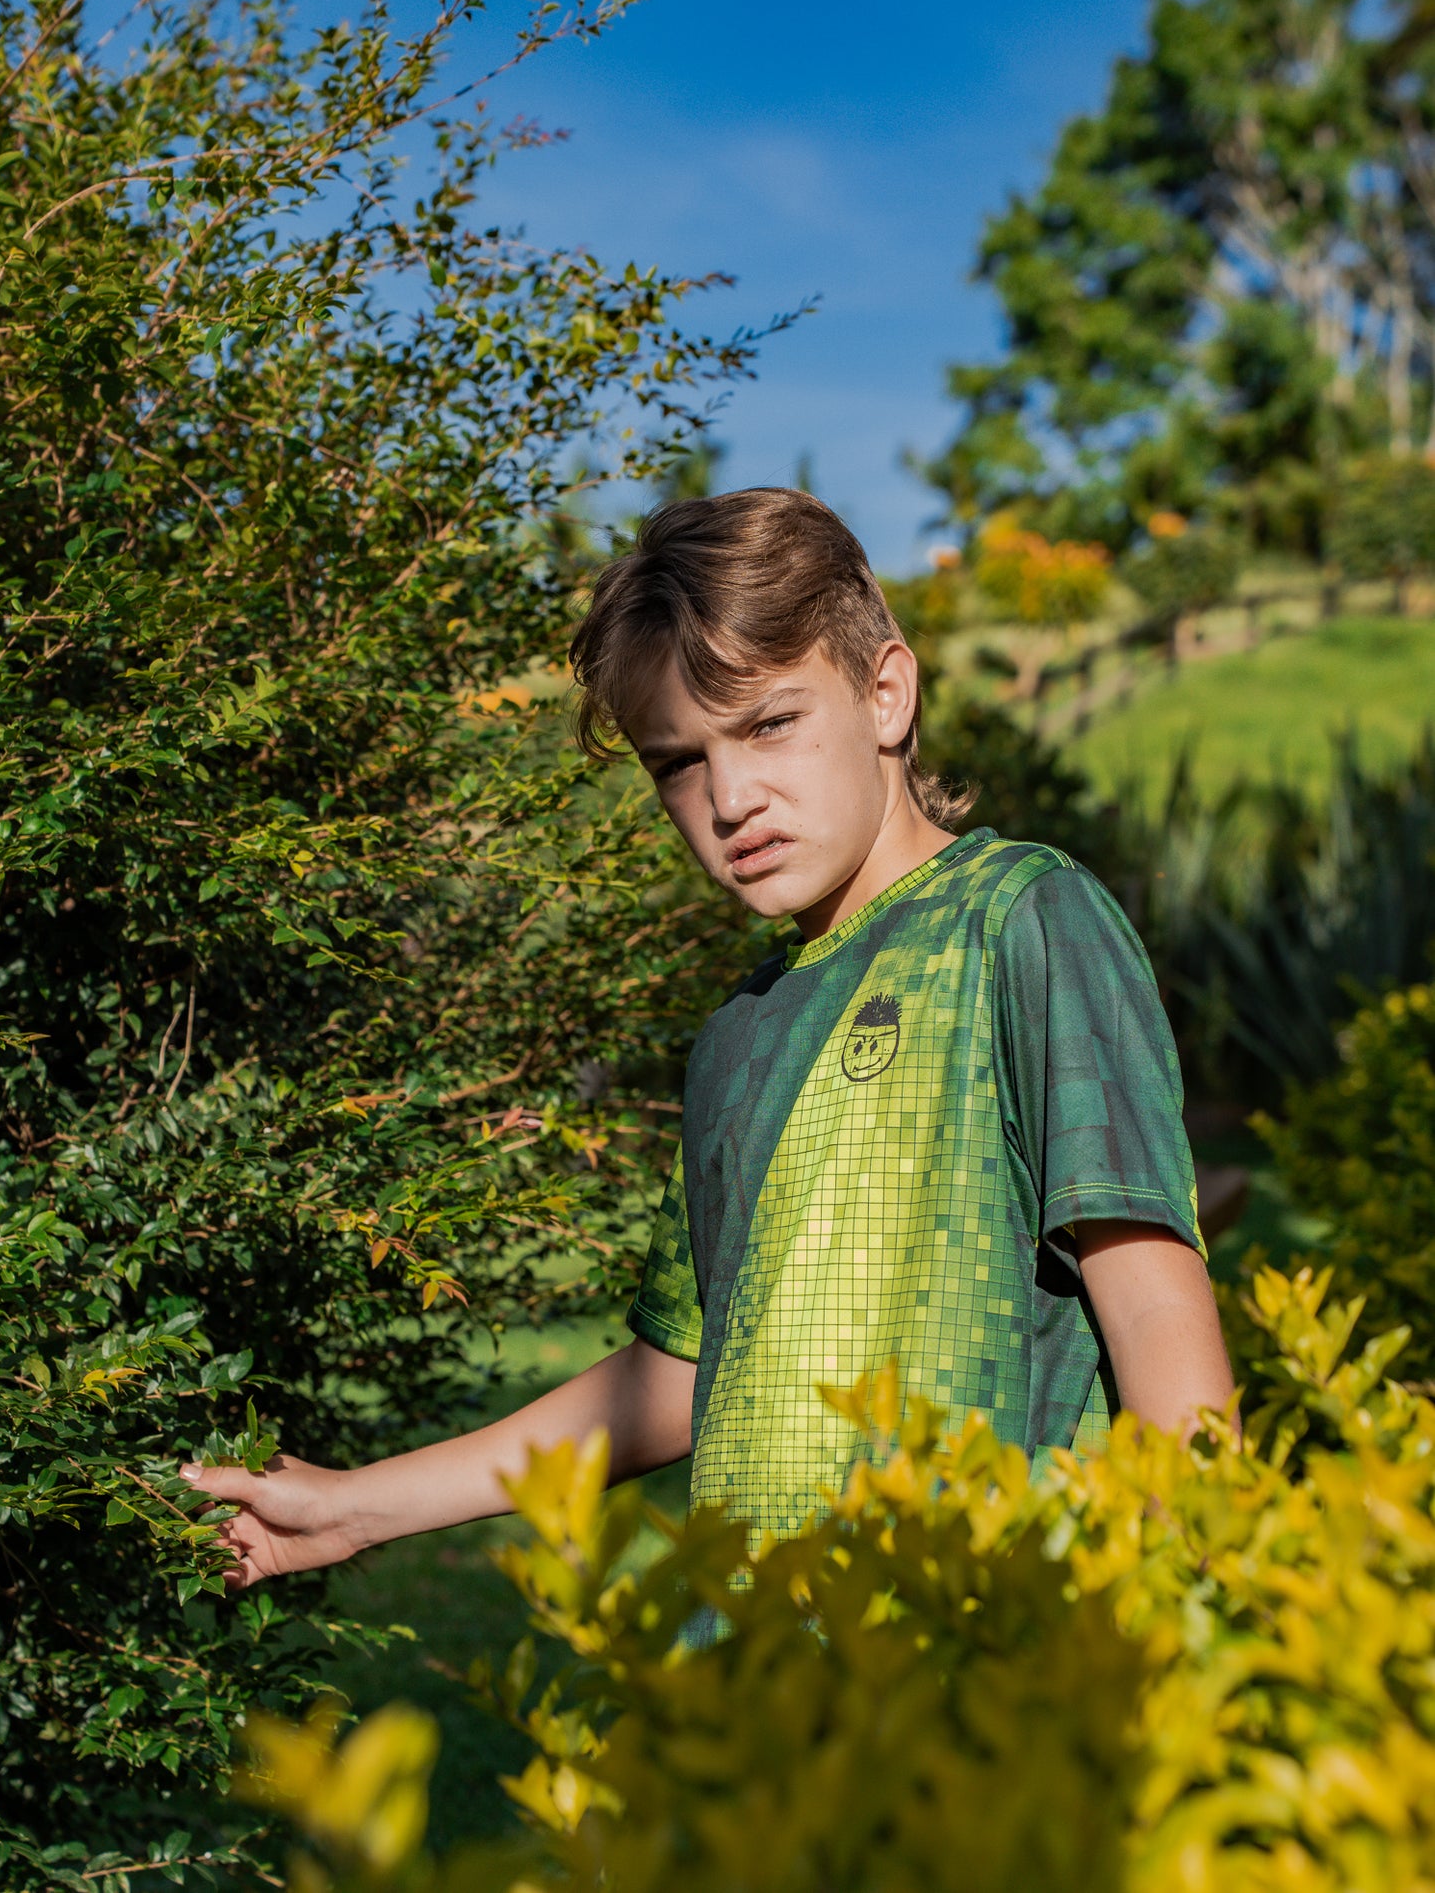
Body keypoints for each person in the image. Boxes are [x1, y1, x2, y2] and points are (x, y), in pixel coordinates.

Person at [180, 488, 1236, 1588]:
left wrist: (1179, 1627)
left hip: (980, 1674)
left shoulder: (1016, 917)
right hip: (755, 1690)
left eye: (768, 722)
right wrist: (348, 1508)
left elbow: (1154, 1306)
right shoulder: (736, 1033)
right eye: (676, 760)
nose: (728, 795)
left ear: (884, 693)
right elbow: (681, 1372)